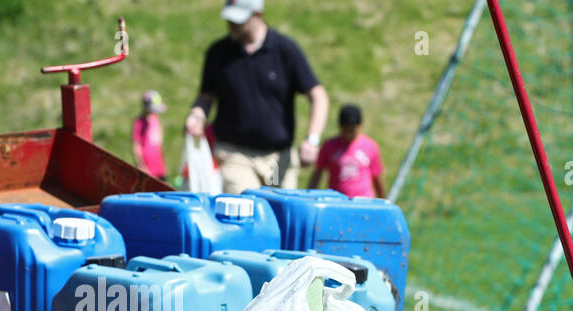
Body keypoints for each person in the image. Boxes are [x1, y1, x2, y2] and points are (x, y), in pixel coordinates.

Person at [184, 0, 329, 194]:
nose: (232, 25)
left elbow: (318, 96)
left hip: (276, 160)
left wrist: (312, 139)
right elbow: (206, 97)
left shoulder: (284, 50)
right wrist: (197, 115)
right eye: (230, 19)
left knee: (279, 211)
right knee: (245, 210)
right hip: (235, 155)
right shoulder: (218, 53)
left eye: (239, 20)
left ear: (258, 15)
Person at [308, 104, 386, 198]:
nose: (349, 132)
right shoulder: (329, 146)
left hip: (363, 201)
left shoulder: (370, 146)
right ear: (340, 126)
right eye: (346, 128)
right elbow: (317, 173)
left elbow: (377, 177)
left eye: (352, 129)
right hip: (337, 200)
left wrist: (384, 200)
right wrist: (310, 195)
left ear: (360, 125)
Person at [132, 90, 167, 180]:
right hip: (147, 167)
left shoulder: (155, 118)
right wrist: (141, 166)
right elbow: (137, 145)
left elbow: (159, 139)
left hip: (158, 165)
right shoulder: (139, 122)